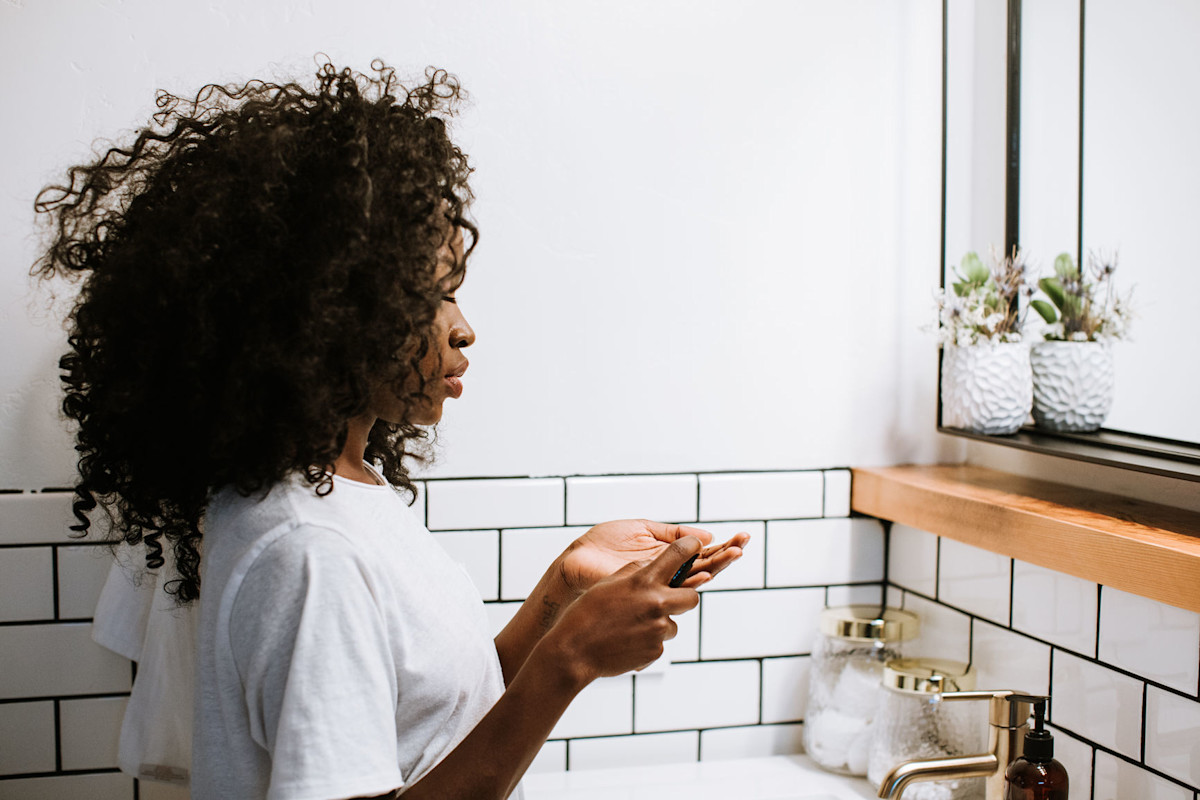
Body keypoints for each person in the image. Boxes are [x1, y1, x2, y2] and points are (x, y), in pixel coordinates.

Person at [33, 60, 748, 800]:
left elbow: (429, 722)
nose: (464, 329)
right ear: (326, 314)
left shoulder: (341, 494)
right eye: (433, 296)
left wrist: (561, 591)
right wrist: (568, 660)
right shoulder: (308, 555)